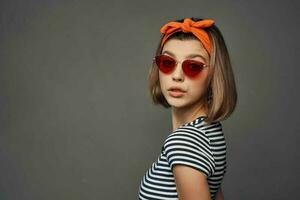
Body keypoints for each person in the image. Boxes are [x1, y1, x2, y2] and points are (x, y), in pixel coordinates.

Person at [138, 17, 237, 200]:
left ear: (215, 73)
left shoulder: (184, 142)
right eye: (167, 62)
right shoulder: (209, 131)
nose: (177, 76)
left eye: (193, 66)